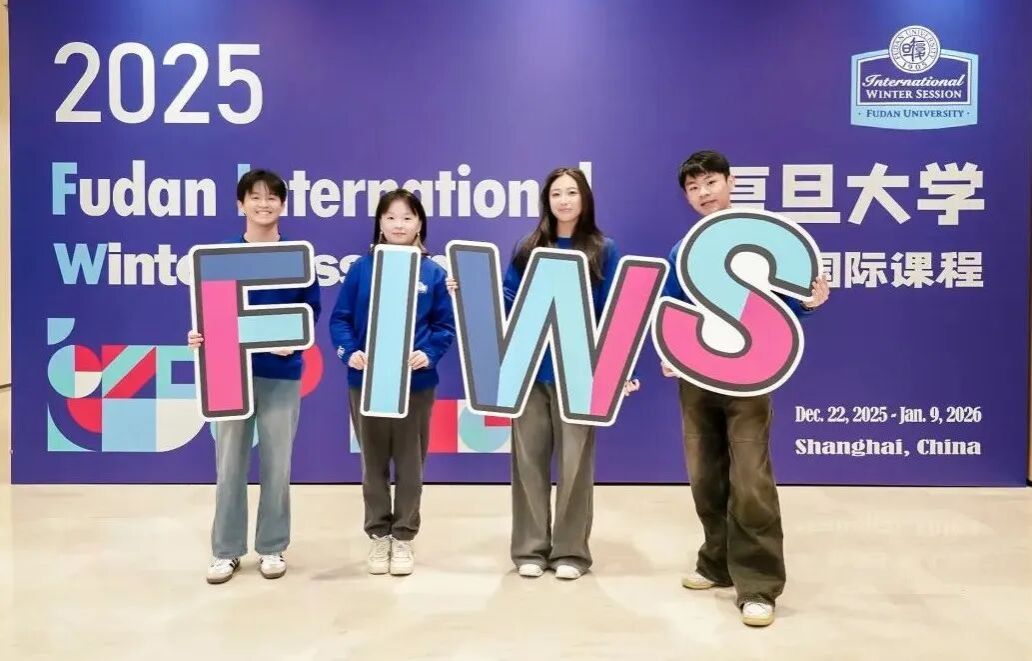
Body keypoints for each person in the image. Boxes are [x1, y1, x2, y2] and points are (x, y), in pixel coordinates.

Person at [662, 150, 830, 626]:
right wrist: (671, 350)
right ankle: (716, 562)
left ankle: (757, 584)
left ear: (731, 182)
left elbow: (786, 306)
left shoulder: (762, 239)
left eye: (711, 182)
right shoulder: (682, 250)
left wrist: (810, 303)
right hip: (696, 376)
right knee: (704, 474)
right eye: (693, 188)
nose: (703, 193)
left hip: (751, 376)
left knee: (751, 477)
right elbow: (670, 306)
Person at [449, 167, 639, 580]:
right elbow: (508, 297)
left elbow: (615, 309)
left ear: (585, 198)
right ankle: (530, 550)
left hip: (580, 374)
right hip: (528, 369)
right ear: (546, 200)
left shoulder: (604, 248)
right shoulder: (528, 245)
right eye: (556, 193)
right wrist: (467, 291)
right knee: (528, 463)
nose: (564, 200)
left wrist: (620, 367)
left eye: (572, 192)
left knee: (575, 466)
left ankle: (571, 552)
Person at [188, 168, 322, 584]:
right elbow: (210, 312)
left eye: (272, 197)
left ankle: (272, 546)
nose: (264, 204)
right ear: (240, 204)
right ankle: (226, 551)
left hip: (280, 373)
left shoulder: (298, 256)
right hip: (228, 371)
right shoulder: (221, 257)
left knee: (278, 465)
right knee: (229, 464)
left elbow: (310, 310)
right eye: (255, 197)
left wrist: (292, 338)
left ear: (283, 205)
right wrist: (201, 335)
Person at [329, 189, 455, 576]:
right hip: (366, 382)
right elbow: (340, 319)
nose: (399, 225)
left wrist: (429, 353)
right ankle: (378, 533)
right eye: (391, 217)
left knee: (411, 464)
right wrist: (349, 352)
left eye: (407, 217)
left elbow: (444, 326)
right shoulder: (362, 269)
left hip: (416, 384)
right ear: (380, 224)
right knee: (373, 463)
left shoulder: (434, 273)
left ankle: (403, 535)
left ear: (420, 224)